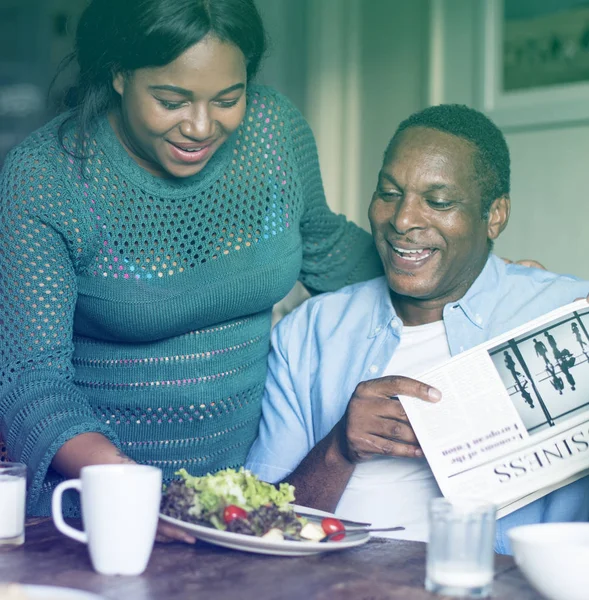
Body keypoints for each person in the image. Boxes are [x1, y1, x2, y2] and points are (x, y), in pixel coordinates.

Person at [0, 0, 385, 538]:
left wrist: (482, 279)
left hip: (244, 503)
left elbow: (325, 245)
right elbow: (30, 382)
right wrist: (134, 494)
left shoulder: (272, 132)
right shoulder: (46, 179)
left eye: (228, 99)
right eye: (171, 100)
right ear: (118, 73)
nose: (202, 127)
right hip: (98, 513)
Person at [245, 104, 589, 554]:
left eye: (438, 201)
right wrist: (338, 449)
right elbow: (259, 528)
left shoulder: (563, 319)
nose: (403, 220)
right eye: (389, 193)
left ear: (495, 216)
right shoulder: (311, 331)